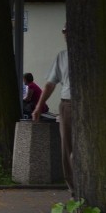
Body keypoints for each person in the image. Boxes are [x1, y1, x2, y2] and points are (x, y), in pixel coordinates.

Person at [33, 28, 73, 195]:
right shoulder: (62, 56)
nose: (65, 33)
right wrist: (39, 106)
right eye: (64, 29)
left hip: (88, 103)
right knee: (67, 148)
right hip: (68, 104)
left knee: (78, 151)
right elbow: (50, 84)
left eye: (67, 29)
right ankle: (73, 189)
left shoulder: (92, 52)